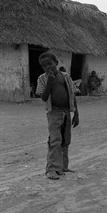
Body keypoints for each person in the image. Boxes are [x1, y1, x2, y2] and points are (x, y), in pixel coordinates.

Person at [35, 52, 79, 180]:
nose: (48, 67)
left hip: (66, 111)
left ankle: (63, 167)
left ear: (56, 62)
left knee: (65, 141)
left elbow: (72, 94)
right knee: (55, 140)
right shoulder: (42, 79)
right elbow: (43, 97)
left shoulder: (65, 76)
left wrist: (76, 113)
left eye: (50, 64)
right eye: (44, 66)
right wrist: (49, 82)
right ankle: (51, 169)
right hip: (53, 113)